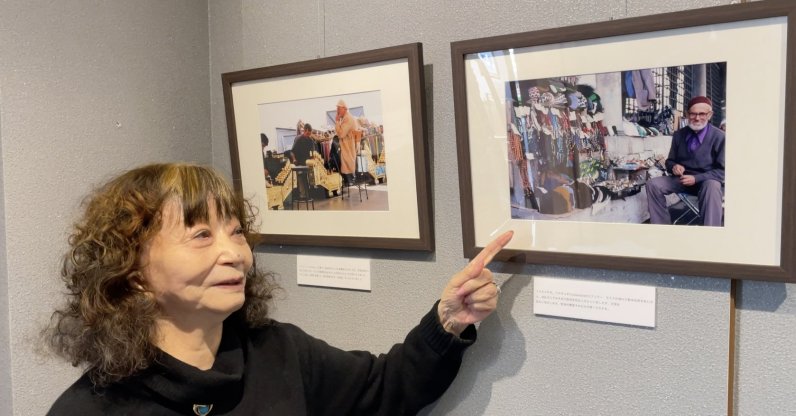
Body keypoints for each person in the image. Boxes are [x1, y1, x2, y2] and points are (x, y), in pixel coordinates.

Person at [44, 163, 514, 415]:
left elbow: (384, 389)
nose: (235, 252)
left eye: (235, 231)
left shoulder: (279, 352)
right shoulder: (88, 410)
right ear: (133, 271)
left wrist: (447, 321)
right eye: (201, 235)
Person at [646, 96, 725, 226]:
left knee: (712, 186)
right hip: (681, 180)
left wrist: (697, 178)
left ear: (709, 115)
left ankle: (710, 234)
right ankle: (661, 228)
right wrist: (674, 167)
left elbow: (723, 172)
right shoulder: (679, 135)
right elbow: (669, 161)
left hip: (706, 183)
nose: (697, 118)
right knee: (653, 185)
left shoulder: (720, 137)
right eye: (693, 113)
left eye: (702, 114)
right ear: (687, 114)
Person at [334, 99, 360, 185]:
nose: (337, 112)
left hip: (349, 146)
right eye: (337, 109)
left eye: (339, 109)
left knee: (337, 157)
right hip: (347, 146)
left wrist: (337, 121)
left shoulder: (347, 118)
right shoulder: (345, 117)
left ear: (344, 108)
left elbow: (341, 134)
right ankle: (349, 178)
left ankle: (350, 178)